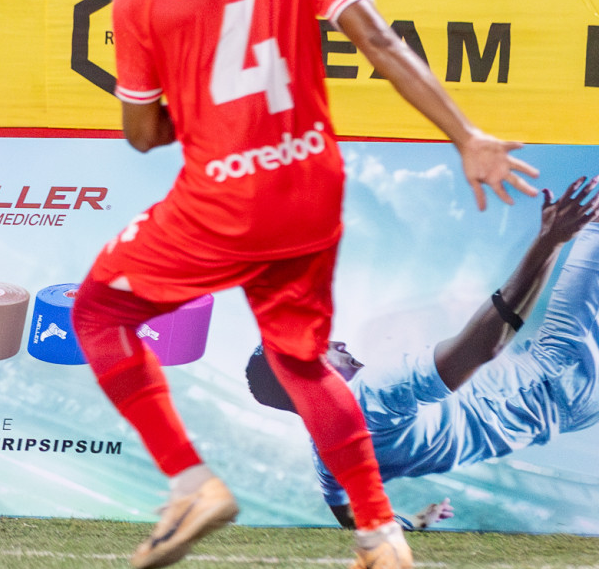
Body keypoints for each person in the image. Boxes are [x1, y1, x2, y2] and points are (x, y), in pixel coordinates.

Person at [70, 0, 538, 569]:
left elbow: (144, 135)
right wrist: (467, 136)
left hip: (223, 199)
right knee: (302, 362)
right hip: (311, 191)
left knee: (97, 312)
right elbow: (384, 46)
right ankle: (381, 537)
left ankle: (191, 485)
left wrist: (199, 103)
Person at [246, 178, 599, 529]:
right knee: (592, 227)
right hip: (561, 371)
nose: (337, 343)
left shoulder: (329, 453)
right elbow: (484, 346)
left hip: (565, 405)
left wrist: (414, 521)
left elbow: (351, 516)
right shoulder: (371, 394)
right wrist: (549, 240)